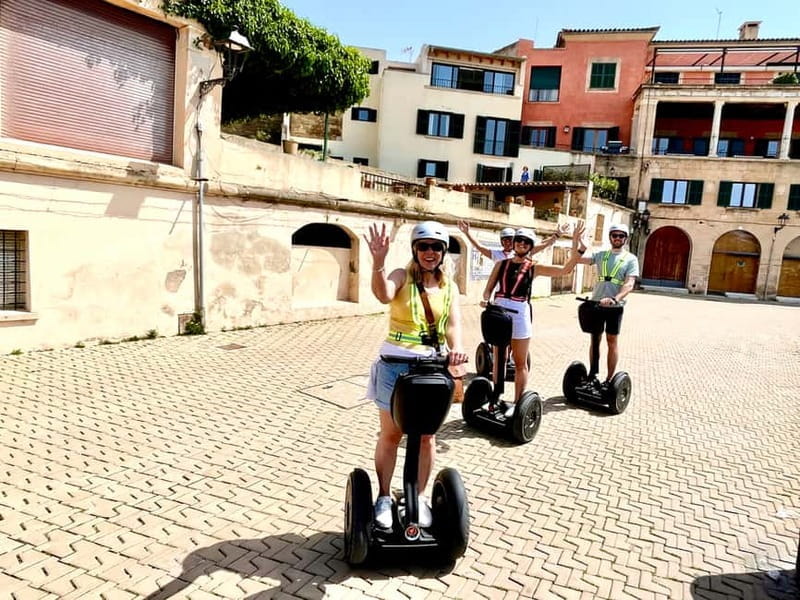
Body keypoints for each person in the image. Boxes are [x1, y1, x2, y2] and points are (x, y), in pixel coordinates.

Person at [364, 220, 468, 529]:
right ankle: (384, 496)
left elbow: (453, 324)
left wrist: (458, 350)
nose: (430, 252)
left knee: (426, 438)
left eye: (436, 247)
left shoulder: (449, 286)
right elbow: (383, 294)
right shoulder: (401, 275)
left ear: (443, 251)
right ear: (415, 249)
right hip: (395, 364)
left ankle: (419, 497)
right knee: (392, 434)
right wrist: (379, 262)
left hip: (433, 368)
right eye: (423, 246)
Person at [481, 222, 585, 403]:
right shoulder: (501, 264)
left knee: (520, 361)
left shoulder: (534, 266)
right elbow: (488, 288)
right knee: (499, 358)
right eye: (518, 240)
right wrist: (485, 298)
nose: (521, 244)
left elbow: (565, 270)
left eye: (526, 242)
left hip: (519, 311)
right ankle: (495, 397)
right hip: (499, 311)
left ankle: (518, 402)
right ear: (513, 243)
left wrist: (576, 243)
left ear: (530, 246)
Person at [574, 223, 640, 382]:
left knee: (612, 341)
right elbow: (576, 259)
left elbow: (629, 283)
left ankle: (609, 379)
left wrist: (614, 299)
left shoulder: (630, 259)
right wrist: (578, 243)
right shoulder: (601, 255)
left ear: (625, 238)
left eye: (621, 236)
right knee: (594, 340)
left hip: (614, 307)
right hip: (596, 304)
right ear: (610, 237)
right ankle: (592, 374)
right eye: (614, 235)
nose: (617, 238)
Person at [458, 220, 565, 262]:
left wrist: (557, 235)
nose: (507, 242)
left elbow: (542, 244)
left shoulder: (523, 252)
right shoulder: (496, 254)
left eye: (510, 240)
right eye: (504, 240)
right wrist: (467, 233)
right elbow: (479, 247)